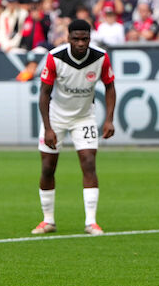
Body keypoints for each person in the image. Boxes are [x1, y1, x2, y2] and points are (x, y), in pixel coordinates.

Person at [32, 19, 116, 236]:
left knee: (89, 163)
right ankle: (48, 220)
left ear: (90, 38)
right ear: (68, 38)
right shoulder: (55, 58)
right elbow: (43, 94)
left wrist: (109, 119)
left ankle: (91, 222)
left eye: (85, 39)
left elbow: (110, 87)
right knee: (48, 167)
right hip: (56, 117)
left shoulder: (100, 57)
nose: (80, 43)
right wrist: (48, 128)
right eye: (76, 38)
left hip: (84, 117)